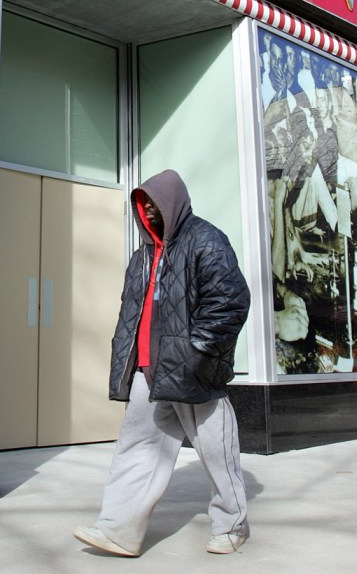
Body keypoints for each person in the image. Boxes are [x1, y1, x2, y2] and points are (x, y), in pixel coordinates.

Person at [73, 169, 251, 557]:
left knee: (217, 452)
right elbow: (131, 315)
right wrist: (129, 361)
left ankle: (231, 525)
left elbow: (231, 301)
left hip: (195, 371)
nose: (150, 212)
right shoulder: (141, 257)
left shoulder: (207, 241)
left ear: (174, 202)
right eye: (144, 205)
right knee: (135, 448)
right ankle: (119, 530)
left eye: (155, 204)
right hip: (147, 372)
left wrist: (198, 352)